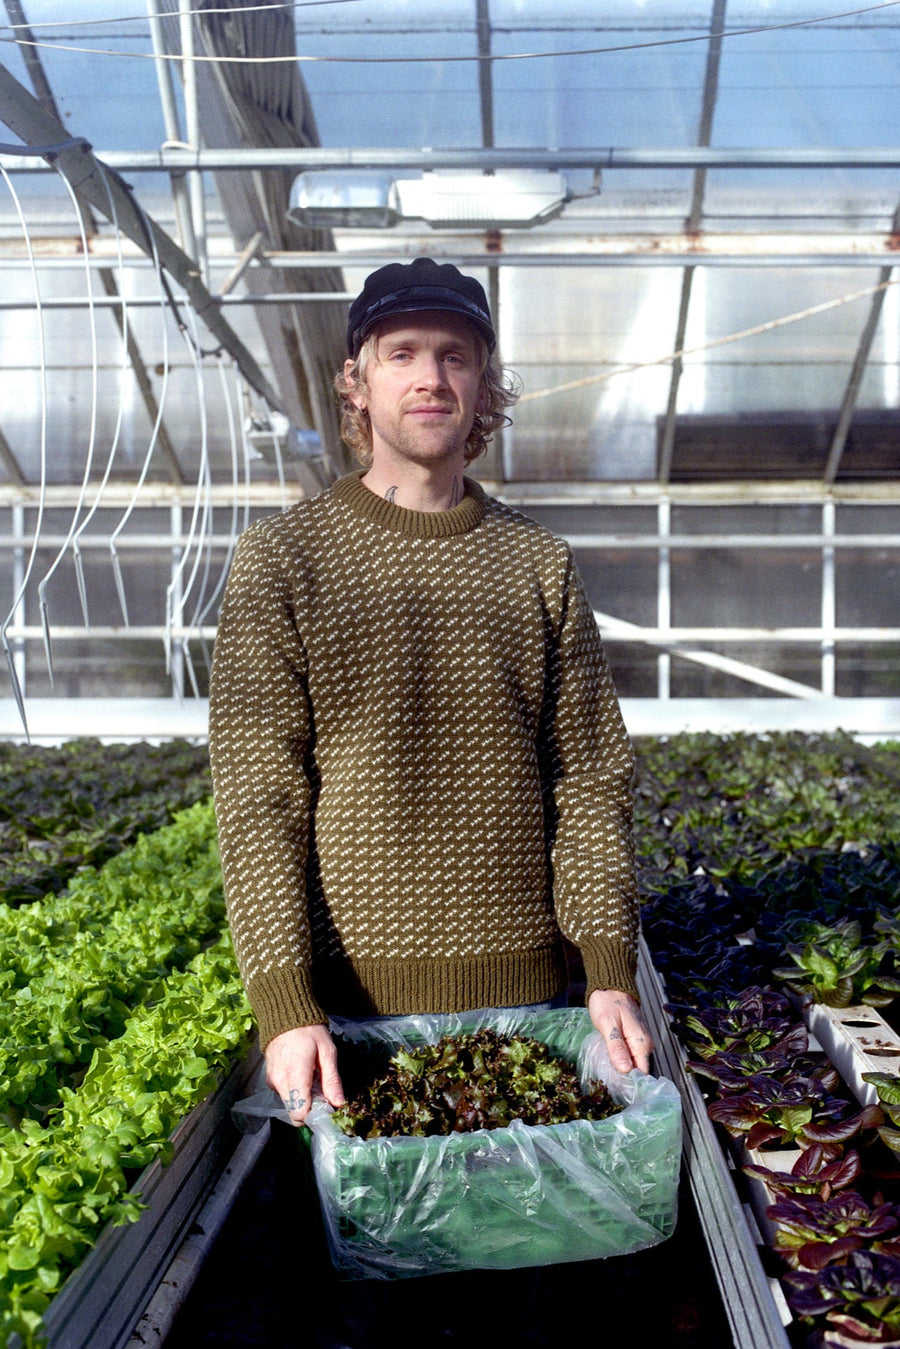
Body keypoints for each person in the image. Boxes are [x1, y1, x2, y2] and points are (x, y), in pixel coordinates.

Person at [208, 256, 652, 1126]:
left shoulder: (538, 563)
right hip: (350, 1013)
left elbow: (591, 778)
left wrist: (609, 968)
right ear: (357, 380)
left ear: (485, 384)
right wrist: (285, 1003)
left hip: (533, 1003)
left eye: (455, 355)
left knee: (531, 1238)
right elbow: (259, 797)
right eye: (401, 352)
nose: (430, 378)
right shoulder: (283, 561)